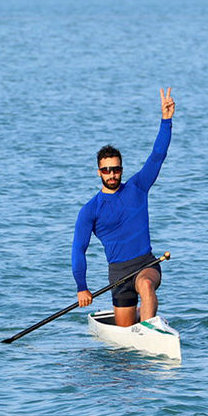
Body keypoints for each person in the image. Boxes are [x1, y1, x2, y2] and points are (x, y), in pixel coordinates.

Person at [71, 88, 175, 327]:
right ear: (99, 172)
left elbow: (157, 155)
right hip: (118, 275)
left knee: (147, 285)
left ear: (121, 169)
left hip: (146, 264)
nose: (112, 174)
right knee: (124, 335)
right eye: (106, 170)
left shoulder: (138, 187)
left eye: (116, 169)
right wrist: (82, 288)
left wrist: (166, 121)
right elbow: (78, 250)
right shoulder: (90, 210)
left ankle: (150, 331)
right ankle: (143, 317)